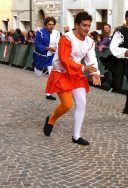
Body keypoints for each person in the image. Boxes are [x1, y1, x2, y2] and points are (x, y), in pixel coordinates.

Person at [43, 11, 101, 145]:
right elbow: (64, 60)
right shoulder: (67, 38)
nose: (87, 28)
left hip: (76, 74)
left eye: (89, 25)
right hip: (62, 73)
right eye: (84, 25)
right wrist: (82, 69)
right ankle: (51, 119)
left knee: (82, 103)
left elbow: (92, 59)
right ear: (76, 25)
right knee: (67, 104)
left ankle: (76, 136)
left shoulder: (90, 42)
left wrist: (95, 73)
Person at [33, 17, 60, 100]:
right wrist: (48, 48)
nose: (51, 26)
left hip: (51, 57)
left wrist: (56, 48)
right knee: (38, 74)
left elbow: (58, 43)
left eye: (53, 24)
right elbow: (37, 45)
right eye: (49, 24)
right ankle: (36, 66)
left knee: (51, 75)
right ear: (46, 25)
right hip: (40, 56)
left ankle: (49, 93)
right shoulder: (40, 32)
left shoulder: (57, 33)